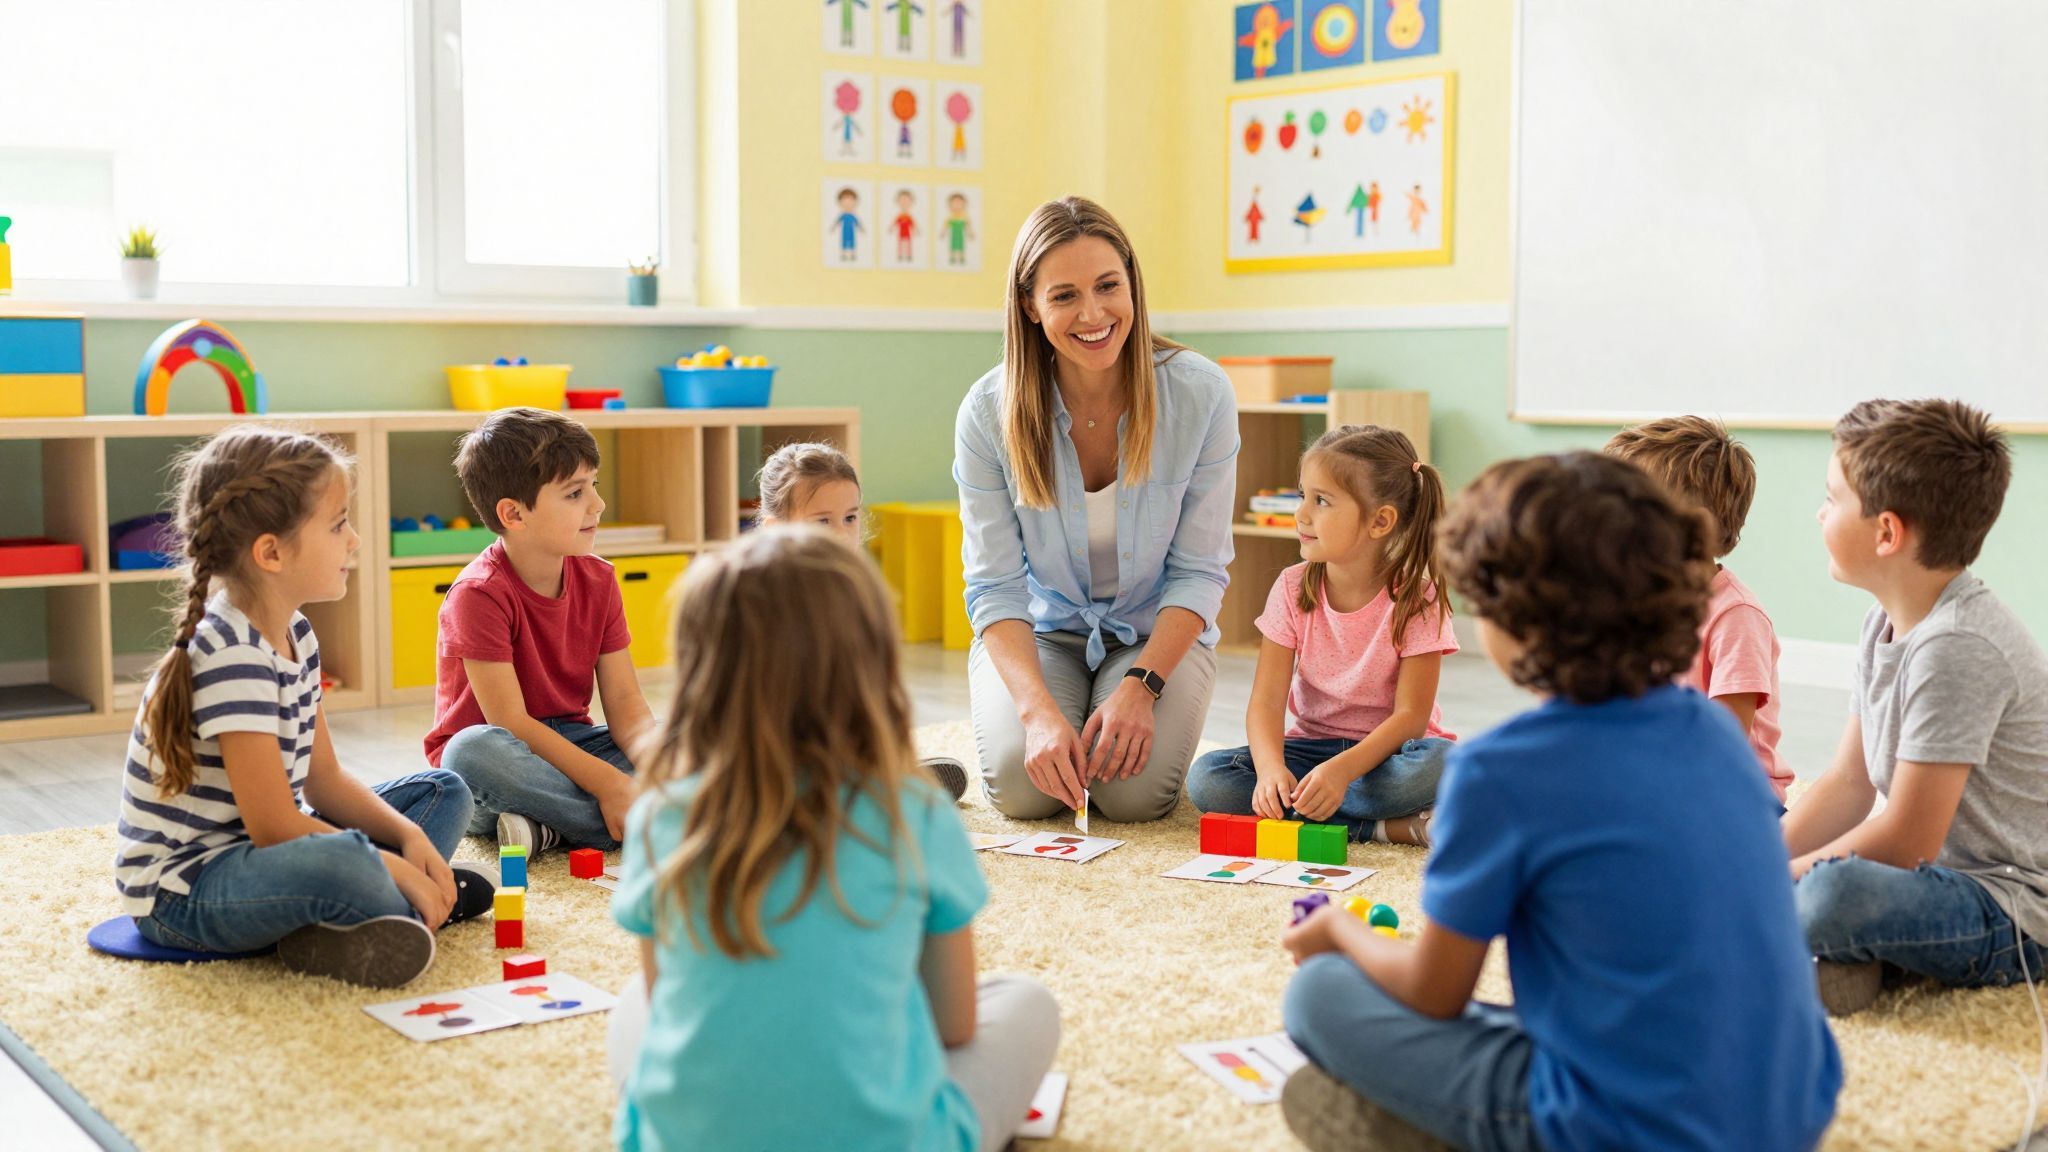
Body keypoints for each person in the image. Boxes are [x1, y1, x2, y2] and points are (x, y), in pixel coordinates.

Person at [1279, 451, 1840, 1152]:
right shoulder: (1714, 732)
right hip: (1795, 1104)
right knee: (1539, 1022)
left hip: (1636, 1129)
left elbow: (1433, 993)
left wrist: (1339, 933)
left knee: (1318, 995)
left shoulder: (1498, 772)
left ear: (1508, 616)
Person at [606, 528, 1059, 1152]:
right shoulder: (913, 808)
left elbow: (664, 1003)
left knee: (632, 1005)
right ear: (869, 665)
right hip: (893, 1139)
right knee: (1028, 1005)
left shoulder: (661, 811)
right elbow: (954, 1026)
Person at [114, 427, 490, 987]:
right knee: (342, 860)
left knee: (443, 793)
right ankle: (379, 901)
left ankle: (364, 910)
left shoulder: (296, 633)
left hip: (263, 859)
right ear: (271, 552)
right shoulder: (229, 654)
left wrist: (408, 839)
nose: (355, 540)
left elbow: (325, 782)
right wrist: (379, 862)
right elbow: (274, 827)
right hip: (186, 895)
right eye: (338, 524)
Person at [955, 196, 1238, 823]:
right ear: (1030, 305)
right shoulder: (986, 413)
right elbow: (994, 586)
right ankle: (1058, 711)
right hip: (1042, 632)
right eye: (1064, 296)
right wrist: (1035, 713)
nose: (1093, 313)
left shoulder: (1201, 394)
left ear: (1132, 284)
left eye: (1109, 286)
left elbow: (1199, 572)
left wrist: (1142, 686)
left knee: (1131, 797)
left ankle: (1122, 696)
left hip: (1153, 636)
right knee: (1024, 792)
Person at [1787, 398, 2048, 1015]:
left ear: (1886, 532)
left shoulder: (1958, 645)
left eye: (1833, 497)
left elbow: (1906, 839)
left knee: (1833, 894)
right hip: (1930, 880)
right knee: (1749, 824)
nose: (1819, 511)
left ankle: (1839, 948)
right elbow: (1849, 783)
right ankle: (1846, 957)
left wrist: (1766, 880)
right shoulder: (1885, 617)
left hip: (2009, 906)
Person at [428, 407, 657, 856]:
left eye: (593, 485)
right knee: (472, 751)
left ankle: (549, 827)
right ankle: (641, 820)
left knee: (682, 738)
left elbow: (627, 707)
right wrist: (610, 783)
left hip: (570, 744)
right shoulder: (478, 593)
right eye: (575, 493)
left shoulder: (600, 579)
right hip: (495, 762)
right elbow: (509, 723)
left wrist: (661, 766)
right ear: (514, 514)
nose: (597, 504)